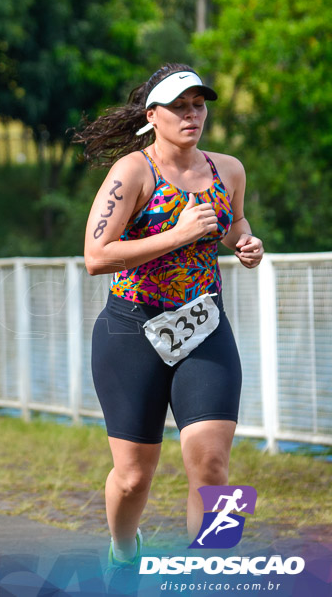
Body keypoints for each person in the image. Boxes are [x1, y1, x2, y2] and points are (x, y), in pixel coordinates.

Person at [75, 64, 264, 569]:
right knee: (134, 475)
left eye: (198, 105)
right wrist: (177, 234)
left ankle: (214, 573)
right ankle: (122, 551)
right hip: (131, 329)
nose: (192, 115)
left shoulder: (228, 169)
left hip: (204, 325)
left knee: (214, 465)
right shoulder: (133, 172)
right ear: (152, 115)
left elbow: (232, 220)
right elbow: (96, 256)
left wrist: (244, 241)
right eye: (179, 107)